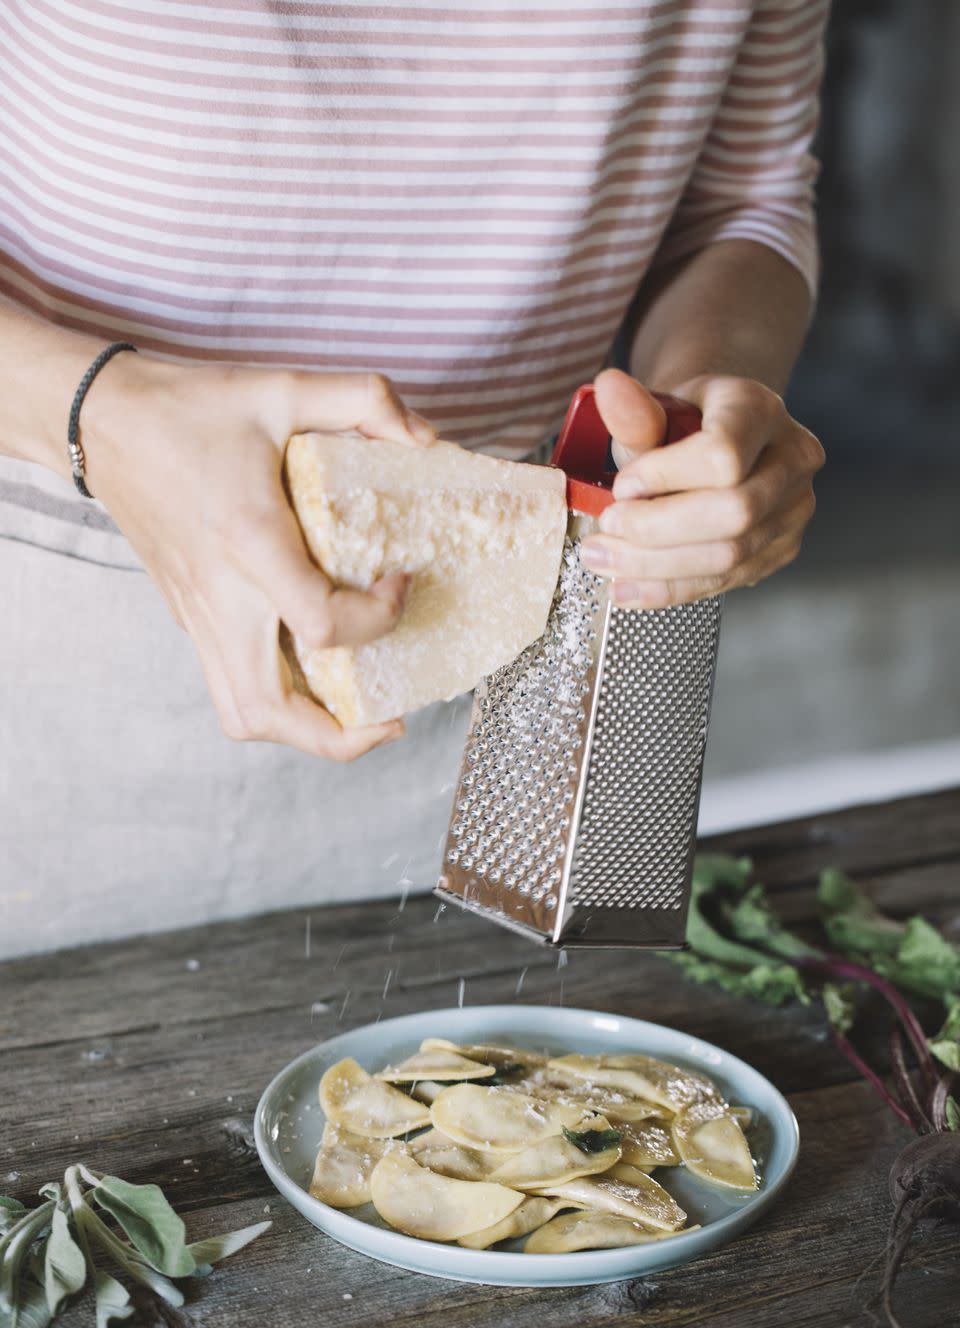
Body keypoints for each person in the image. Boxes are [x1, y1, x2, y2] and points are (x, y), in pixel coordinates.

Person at [0, 1, 827, 959]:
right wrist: (100, 413)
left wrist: (699, 404)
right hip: (54, 629)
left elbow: (742, 202)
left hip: (487, 647)